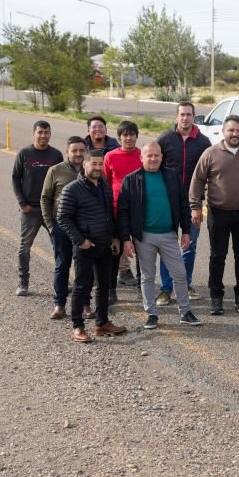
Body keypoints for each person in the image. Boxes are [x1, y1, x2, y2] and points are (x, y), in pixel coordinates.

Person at [118, 142, 202, 329]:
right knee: (147, 277)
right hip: (144, 237)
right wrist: (126, 239)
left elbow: (183, 205)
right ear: (142, 158)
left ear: (162, 157)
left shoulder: (171, 176)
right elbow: (123, 212)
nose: (153, 158)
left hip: (169, 235)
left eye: (157, 155)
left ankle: (185, 312)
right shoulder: (132, 180)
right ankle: (151, 314)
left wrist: (186, 231)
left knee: (180, 274)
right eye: (149, 155)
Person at [189, 115, 239, 316]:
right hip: (218, 213)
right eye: (231, 130)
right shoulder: (211, 153)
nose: (235, 134)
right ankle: (216, 297)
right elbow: (197, 181)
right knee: (217, 256)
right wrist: (195, 207)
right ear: (223, 132)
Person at [56, 150, 127, 343]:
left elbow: (108, 213)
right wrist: (81, 240)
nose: (97, 168)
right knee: (81, 287)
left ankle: (102, 323)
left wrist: (114, 237)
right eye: (93, 164)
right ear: (85, 164)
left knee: (104, 286)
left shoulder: (104, 185)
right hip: (85, 247)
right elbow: (62, 218)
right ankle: (78, 326)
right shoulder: (72, 189)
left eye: (99, 164)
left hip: (105, 245)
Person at [157, 101, 211, 304]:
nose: (185, 118)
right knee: (167, 245)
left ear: (193, 116)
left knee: (190, 245)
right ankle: (165, 288)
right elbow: (154, 166)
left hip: (193, 203)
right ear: (176, 117)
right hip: (167, 203)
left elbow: (210, 172)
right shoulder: (164, 139)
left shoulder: (203, 142)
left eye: (189, 114)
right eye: (182, 114)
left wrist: (203, 200)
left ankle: (185, 284)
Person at [41, 136, 93, 320]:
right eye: (74, 150)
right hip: (61, 227)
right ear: (67, 152)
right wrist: (50, 225)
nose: (78, 154)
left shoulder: (91, 170)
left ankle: (86, 304)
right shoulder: (56, 171)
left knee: (84, 267)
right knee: (62, 265)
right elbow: (45, 198)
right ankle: (59, 304)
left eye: (81, 150)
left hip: (85, 228)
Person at [11, 120, 63, 296]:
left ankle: (62, 281)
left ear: (50, 134)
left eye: (46, 132)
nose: (43, 135)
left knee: (60, 246)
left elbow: (62, 182)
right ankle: (23, 282)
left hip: (51, 211)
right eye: (40, 132)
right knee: (25, 247)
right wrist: (22, 204)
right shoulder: (25, 153)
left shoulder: (56, 155)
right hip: (30, 210)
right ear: (34, 134)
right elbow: (15, 178)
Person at [103, 120, 142, 300]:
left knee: (143, 250)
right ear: (119, 138)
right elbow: (105, 183)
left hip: (141, 210)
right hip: (117, 210)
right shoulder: (110, 156)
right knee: (115, 250)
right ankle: (111, 289)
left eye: (131, 134)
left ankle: (144, 288)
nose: (128, 138)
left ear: (136, 136)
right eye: (125, 135)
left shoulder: (143, 155)